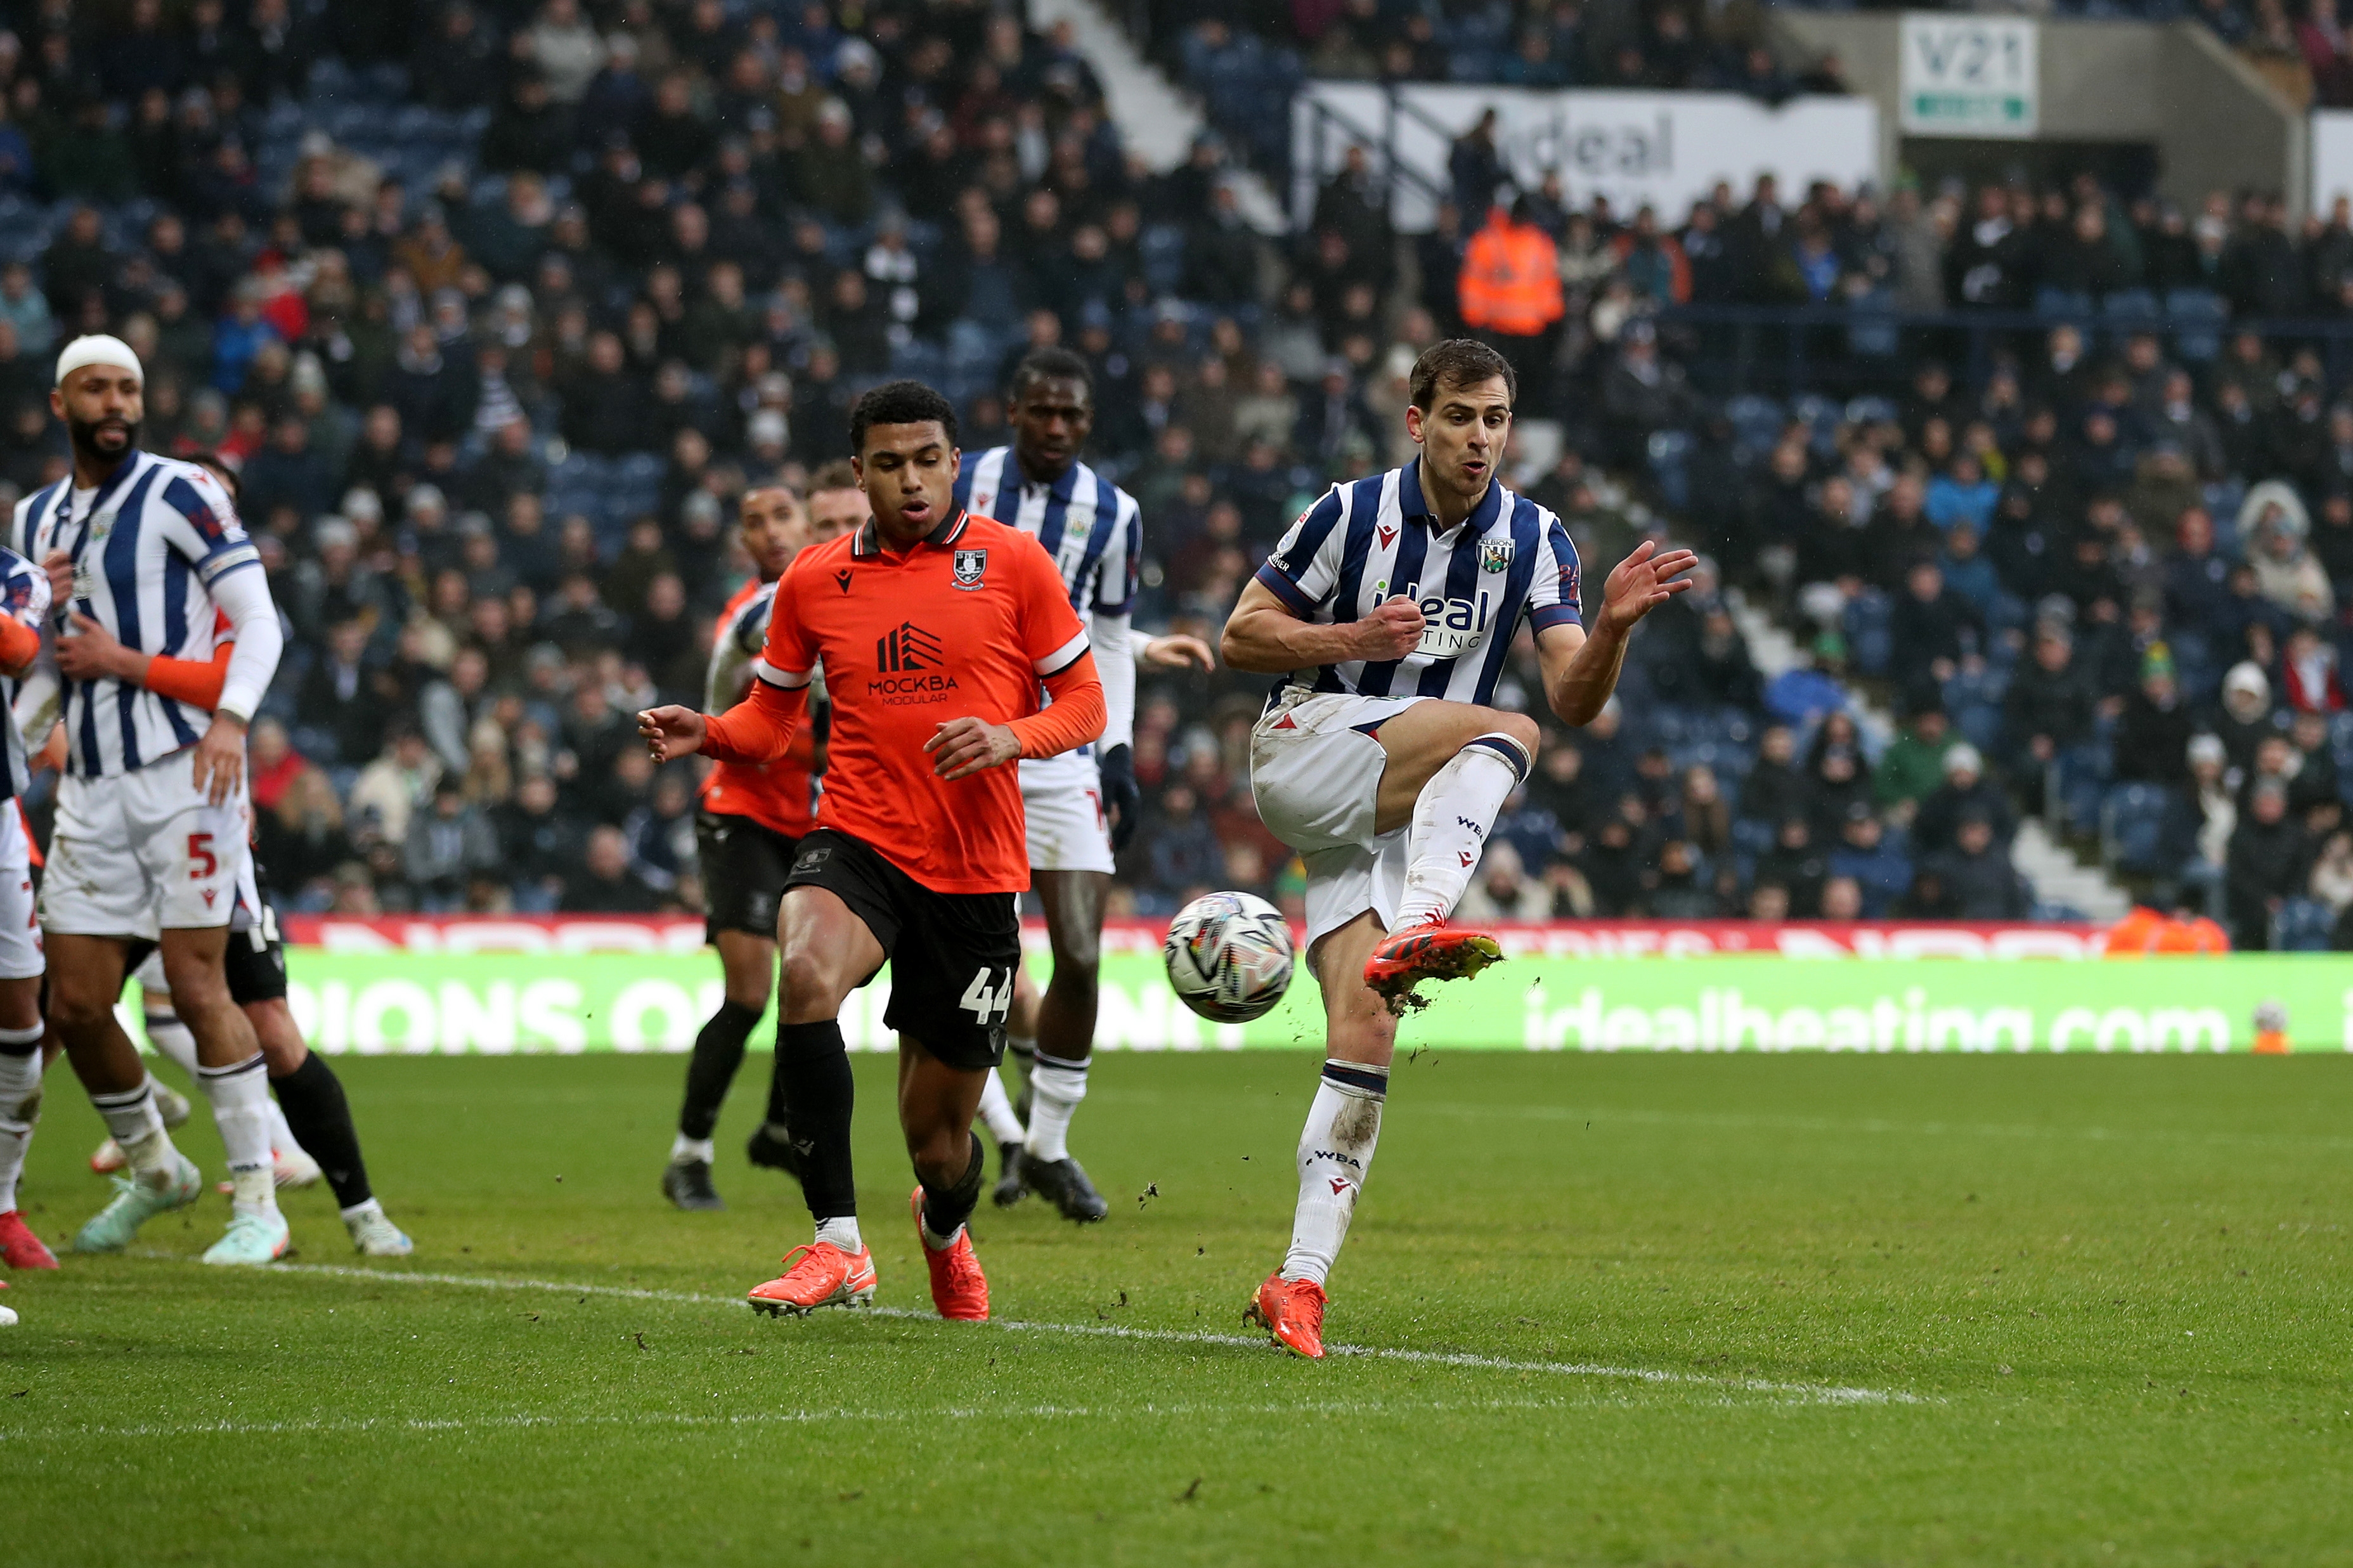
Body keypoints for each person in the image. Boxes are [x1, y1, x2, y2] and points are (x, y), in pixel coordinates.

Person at [1218, 339, 1692, 1359]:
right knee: (1502, 730)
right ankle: (1427, 922)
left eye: (1495, 420)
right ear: (1415, 421)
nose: (1479, 438)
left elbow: (1573, 697)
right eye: (1459, 418)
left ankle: (1296, 1281)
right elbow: (1239, 636)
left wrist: (1608, 627)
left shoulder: (1535, 538)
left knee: (1367, 1029)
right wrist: (1348, 640)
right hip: (1303, 750)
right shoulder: (1348, 512)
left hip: (1394, 807)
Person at [637, 380, 1107, 1323]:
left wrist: (1012, 737)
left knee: (938, 1148)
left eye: (926, 459)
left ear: (954, 463)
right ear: (859, 474)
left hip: (973, 871)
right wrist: (711, 732)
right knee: (803, 970)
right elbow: (770, 720)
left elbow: (1085, 703)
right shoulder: (814, 579)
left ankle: (942, 1232)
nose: (910, 481)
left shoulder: (1015, 565)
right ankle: (836, 1245)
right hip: (856, 837)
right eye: (887, 465)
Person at [55, 450, 412, 1256]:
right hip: (110, 827)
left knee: (268, 1029)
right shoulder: (117, 585)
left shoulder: (229, 602)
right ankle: (151, 1164)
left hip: (202, 833)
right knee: (62, 1013)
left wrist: (121, 662)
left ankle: (354, 1210)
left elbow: (226, 679)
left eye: (215, 500)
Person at [14, 336, 291, 1265]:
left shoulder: (184, 492)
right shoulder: (37, 518)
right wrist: (36, 636)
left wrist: (230, 722)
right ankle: (157, 1165)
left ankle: (258, 1200)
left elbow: (258, 621)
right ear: (62, 404)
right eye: (96, 386)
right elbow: (41, 660)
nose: (115, 401)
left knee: (197, 978)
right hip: (89, 787)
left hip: (186, 775)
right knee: (79, 1006)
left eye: (128, 385)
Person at [661, 483, 819, 1211]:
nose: (769, 532)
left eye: (781, 517)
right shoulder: (757, 614)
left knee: (817, 983)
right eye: (754, 523)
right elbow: (774, 700)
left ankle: (777, 1130)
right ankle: (689, 1154)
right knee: (751, 991)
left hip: (813, 821)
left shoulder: (828, 591)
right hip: (743, 810)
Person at [0, 543, 55, 1280]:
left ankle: (3, 1203)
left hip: (0, 819)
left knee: (22, 1015)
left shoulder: (16, 574)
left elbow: (17, 645)